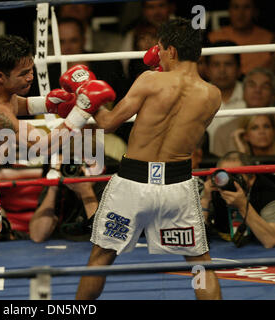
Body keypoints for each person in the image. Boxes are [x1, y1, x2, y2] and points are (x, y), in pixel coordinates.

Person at [0, 34, 116, 300]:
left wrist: (49, 104)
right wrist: (81, 110)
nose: (31, 77)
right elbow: (44, 147)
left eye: (31, 70)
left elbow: (17, 103)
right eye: (24, 73)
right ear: (2, 76)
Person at [75, 18, 223, 300]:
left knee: (101, 257)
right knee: (200, 264)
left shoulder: (150, 80)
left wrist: (85, 95)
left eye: (161, 49)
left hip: (133, 183)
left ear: (171, 51)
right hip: (177, 186)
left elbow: (107, 123)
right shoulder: (212, 96)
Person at [201, 151, 275, 248]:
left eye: (235, 176)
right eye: (224, 176)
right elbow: (195, 239)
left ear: (251, 178)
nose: (229, 182)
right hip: (223, 248)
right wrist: (205, 201)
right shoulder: (214, 188)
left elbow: (270, 240)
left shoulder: (268, 192)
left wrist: (243, 205)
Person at [213, 67, 275, 156]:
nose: (257, 90)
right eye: (252, 85)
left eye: (265, 86)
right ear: (243, 92)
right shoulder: (223, 131)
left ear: (273, 95)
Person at [208, 0, 274, 75]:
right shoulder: (214, 37)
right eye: (236, 7)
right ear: (229, 10)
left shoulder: (269, 39)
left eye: (246, 7)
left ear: (255, 11)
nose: (240, 13)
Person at [206, 41, 246, 155]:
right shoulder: (197, 95)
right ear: (207, 69)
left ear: (239, 69)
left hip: (243, 163)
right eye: (216, 64)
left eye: (228, 64)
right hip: (205, 163)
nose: (222, 70)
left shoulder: (252, 95)